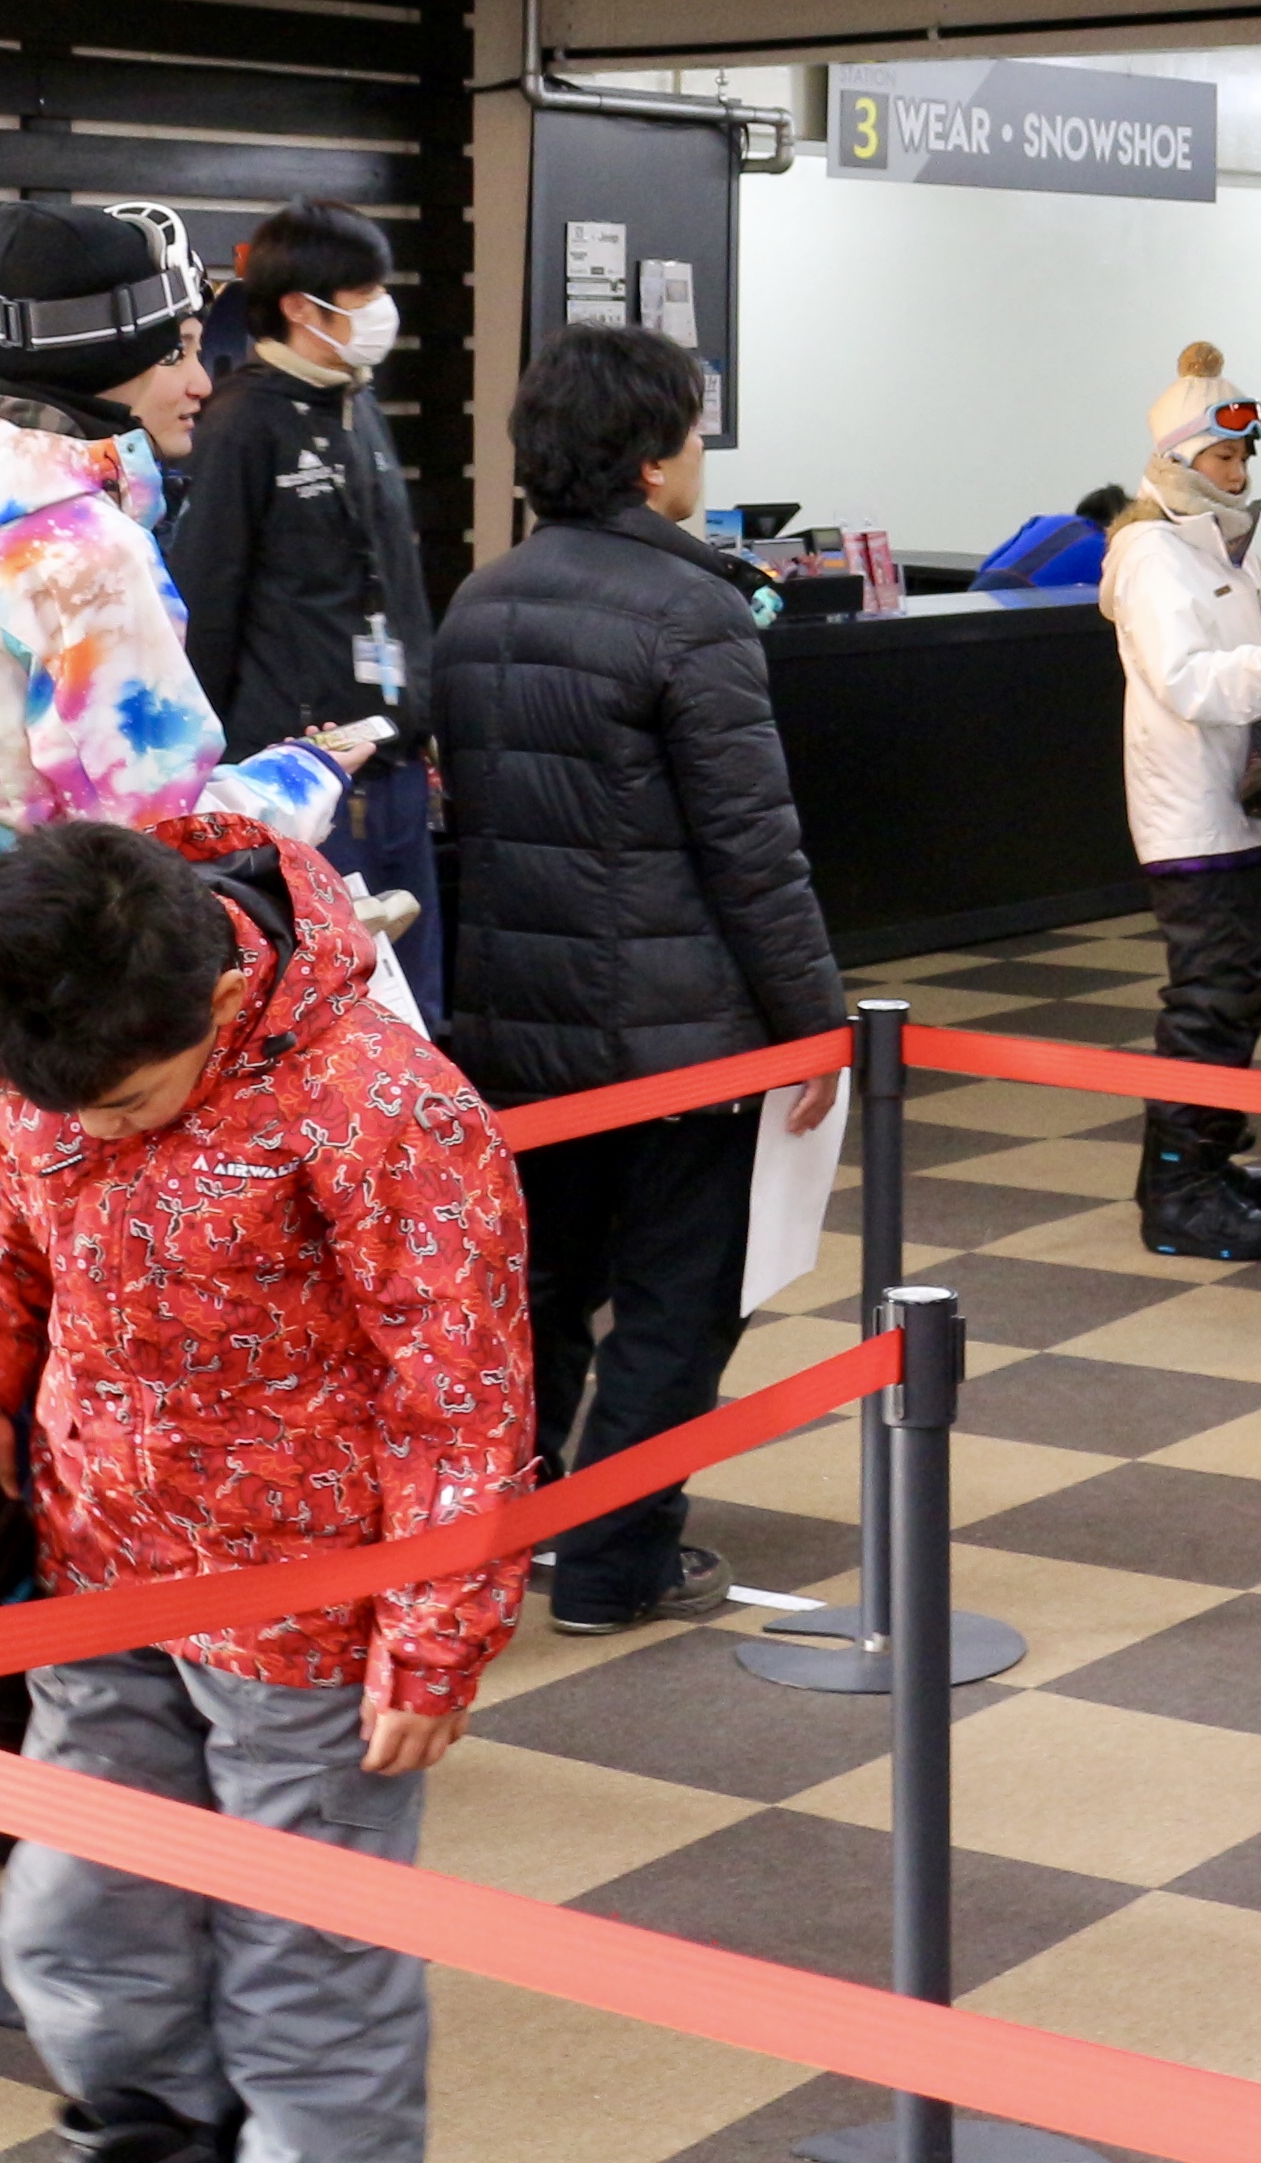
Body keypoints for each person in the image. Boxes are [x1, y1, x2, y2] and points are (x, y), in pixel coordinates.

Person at [0, 815, 533, 2163]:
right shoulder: (35, 1044)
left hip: (310, 1605)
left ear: (224, 995)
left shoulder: (380, 1104)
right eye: (68, 1108)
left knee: (309, 1955)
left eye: (130, 1104)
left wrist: (436, 1636)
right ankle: (154, 2125)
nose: (93, 1129)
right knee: (81, 1902)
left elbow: (460, 1386)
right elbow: (2, 1213)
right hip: (100, 1558)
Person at [0, 196, 355, 1182]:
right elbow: (158, 844)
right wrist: (308, 774)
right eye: (178, 352)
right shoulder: (81, 555)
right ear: (114, 358)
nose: (201, 382)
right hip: (92, 1053)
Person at [436, 323, 844, 1636]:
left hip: (514, 1028)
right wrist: (816, 1023)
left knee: (539, 1297)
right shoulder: (692, 609)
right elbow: (753, 849)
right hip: (677, 1037)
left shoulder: (482, 601)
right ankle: (617, 1563)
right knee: (678, 1302)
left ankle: (496, 1548)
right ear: (655, 461)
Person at [166, 201, 445, 1030]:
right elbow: (206, 604)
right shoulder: (240, 422)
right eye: (362, 295)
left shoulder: (359, 405)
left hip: (392, 761)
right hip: (301, 773)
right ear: (300, 306)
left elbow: (397, 583)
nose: (380, 312)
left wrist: (422, 717)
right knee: (336, 1011)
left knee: (415, 1011)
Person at [1100, 343, 1261, 1264]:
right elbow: (1187, 682)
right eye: (1224, 455)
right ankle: (1180, 1193)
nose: (1239, 470)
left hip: (1249, 811)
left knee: (1244, 995)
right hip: (1195, 817)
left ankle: (1200, 1164)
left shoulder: (1230, 548)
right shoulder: (1152, 555)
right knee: (1212, 1001)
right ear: (1179, 459)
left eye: (1244, 455)